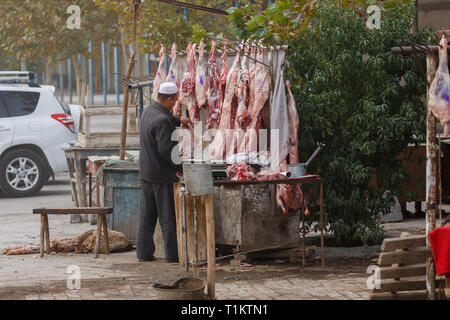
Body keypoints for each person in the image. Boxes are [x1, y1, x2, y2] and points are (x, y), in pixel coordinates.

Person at [137, 82, 192, 263]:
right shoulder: (162, 120)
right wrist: (181, 167)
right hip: (161, 175)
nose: (176, 103)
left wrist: (178, 120)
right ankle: (172, 256)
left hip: (146, 173)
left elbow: (162, 118)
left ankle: (143, 253)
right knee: (168, 217)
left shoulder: (148, 112)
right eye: (175, 100)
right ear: (168, 99)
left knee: (147, 215)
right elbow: (166, 149)